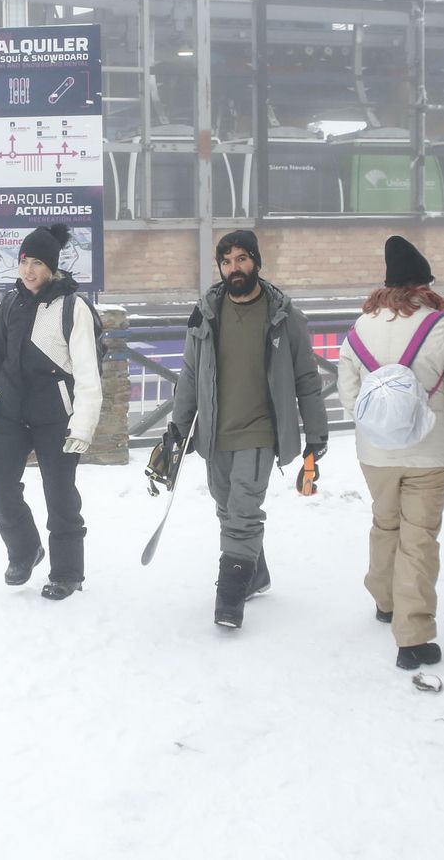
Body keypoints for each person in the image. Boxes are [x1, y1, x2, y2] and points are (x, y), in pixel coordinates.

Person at [164, 229, 328, 629]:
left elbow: (307, 377)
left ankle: (230, 597)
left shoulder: (284, 315)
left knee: (242, 511)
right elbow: (188, 375)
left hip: (260, 430)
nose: (234, 268)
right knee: (227, 506)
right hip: (216, 430)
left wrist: (316, 436)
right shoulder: (205, 313)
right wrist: (177, 430)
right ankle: (255, 572)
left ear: (256, 261)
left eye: (241, 259)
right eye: (226, 261)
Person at [337, 236, 444, 671]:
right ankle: (413, 637)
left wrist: (373, 427)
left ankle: (385, 601)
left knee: (386, 523)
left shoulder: (361, 327)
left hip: (375, 453)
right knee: (419, 538)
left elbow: (348, 395)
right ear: (423, 285)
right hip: (430, 453)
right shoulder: (441, 326)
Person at [0, 224, 102, 600]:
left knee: (60, 496)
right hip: (13, 415)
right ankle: (24, 550)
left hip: (55, 418)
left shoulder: (72, 307)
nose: (28, 270)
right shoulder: (11, 303)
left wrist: (82, 426)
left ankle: (67, 573)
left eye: (36, 263)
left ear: (52, 267)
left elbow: (87, 372)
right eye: (23, 262)